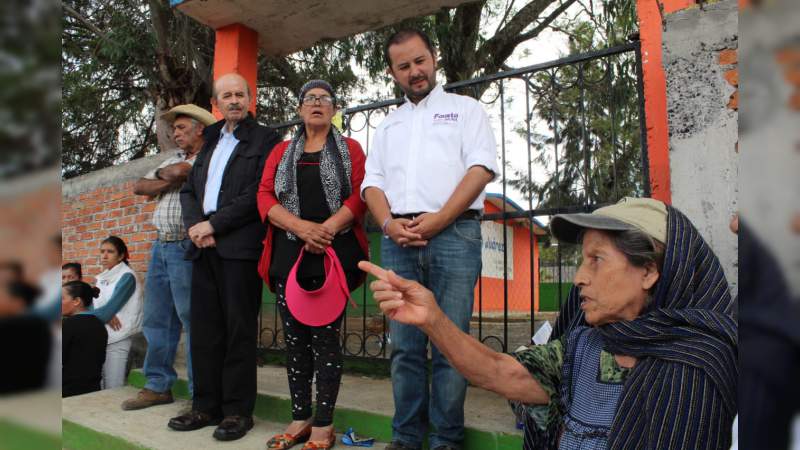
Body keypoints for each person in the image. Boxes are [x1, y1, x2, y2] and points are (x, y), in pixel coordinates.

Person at [360, 197, 737, 450]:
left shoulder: (698, 368)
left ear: (650, 271)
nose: (578, 278)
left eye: (597, 260)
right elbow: (500, 372)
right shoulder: (588, 344)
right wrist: (433, 319)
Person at [361, 29, 499, 450]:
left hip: (454, 235)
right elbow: (372, 183)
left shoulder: (467, 110)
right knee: (403, 347)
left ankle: (446, 440)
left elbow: (480, 169)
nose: (414, 71)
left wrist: (440, 218)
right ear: (393, 73)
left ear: (433, 58)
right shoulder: (388, 125)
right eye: (403, 66)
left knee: (450, 344)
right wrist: (387, 225)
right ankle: (406, 438)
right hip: (398, 242)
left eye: (419, 61)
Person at [257, 80, 368, 450]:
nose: (317, 103)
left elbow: (360, 195)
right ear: (300, 109)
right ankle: (300, 416)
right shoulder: (281, 151)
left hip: (333, 252)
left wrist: (326, 230)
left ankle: (324, 423)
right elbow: (265, 195)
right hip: (290, 252)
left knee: (324, 341)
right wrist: (300, 228)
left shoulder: (349, 148)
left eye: (325, 98)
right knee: (294, 341)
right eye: (310, 99)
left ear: (334, 109)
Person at [171, 72, 281, 441]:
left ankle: (236, 411)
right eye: (226, 96)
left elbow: (257, 195)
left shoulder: (265, 138)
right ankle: (205, 406)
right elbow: (188, 191)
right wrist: (194, 227)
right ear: (216, 103)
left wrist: (214, 225)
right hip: (202, 248)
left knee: (237, 332)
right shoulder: (212, 137)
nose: (233, 101)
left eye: (240, 94)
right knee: (204, 331)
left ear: (250, 98)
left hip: (238, 249)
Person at [120, 104, 216, 411]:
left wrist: (166, 179)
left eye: (182, 128)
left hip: (186, 247)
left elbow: (183, 174)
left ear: (200, 129)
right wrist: (168, 176)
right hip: (159, 246)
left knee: (192, 320)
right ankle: (157, 385)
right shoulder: (172, 158)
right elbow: (140, 186)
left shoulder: (208, 157)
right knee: (157, 319)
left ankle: (199, 392)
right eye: (174, 129)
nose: (176, 133)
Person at [92, 235, 143, 390]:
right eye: (102, 251)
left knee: (113, 386)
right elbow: (97, 307)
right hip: (102, 334)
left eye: (110, 252)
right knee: (99, 384)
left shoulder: (126, 276)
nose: (104, 256)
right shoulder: (103, 277)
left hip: (119, 337)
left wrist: (105, 313)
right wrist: (105, 314)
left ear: (121, 255)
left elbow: (104, 310)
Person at [62, 280, 107, 397]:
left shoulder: (68, 325)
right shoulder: (99, 324)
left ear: (77, 301)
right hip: (93, 389)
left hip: (68, 391)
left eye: (62, 299)